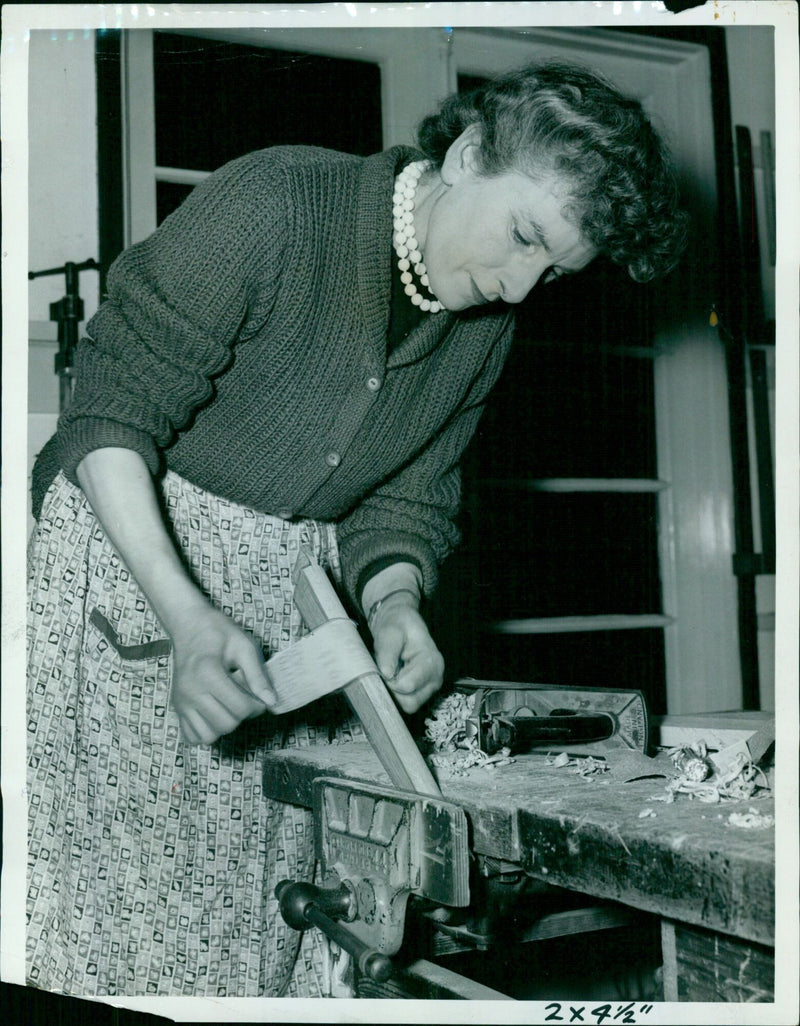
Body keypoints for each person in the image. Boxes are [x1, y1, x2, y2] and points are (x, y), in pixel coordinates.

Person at [26, 61, 688, 998]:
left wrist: (395, 602)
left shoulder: (481, 328)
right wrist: (186, 618)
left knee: (261, 921)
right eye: (522, 237)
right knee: (116, 925)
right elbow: (108, 415)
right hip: (132, 556)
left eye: (552, 271)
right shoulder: (280, 202)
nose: (518, 284)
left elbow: (410, 495)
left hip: (284, 590)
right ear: (464, 156)